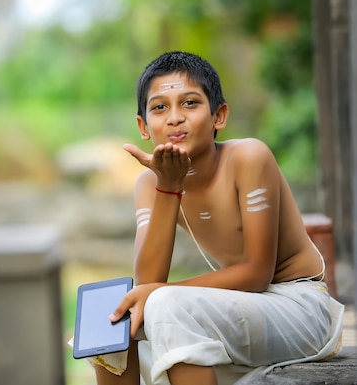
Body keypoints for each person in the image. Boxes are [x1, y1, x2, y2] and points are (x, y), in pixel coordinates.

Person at [94, 51, 344, 385]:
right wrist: (169, 187)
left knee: (165, 302)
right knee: (106, 316)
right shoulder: (148, 184)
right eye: (159, 107)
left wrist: (160, 293)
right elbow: (149, 279)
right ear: (143, 126)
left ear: (219, 115)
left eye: (190, 103)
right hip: (241, 308)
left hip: (299, 309)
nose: (174, 118)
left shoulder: (249, 158)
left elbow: (257, 273)